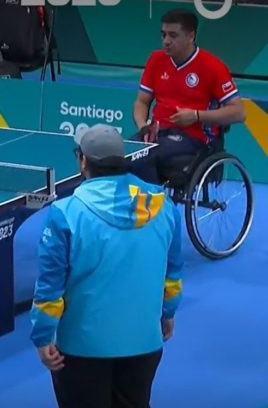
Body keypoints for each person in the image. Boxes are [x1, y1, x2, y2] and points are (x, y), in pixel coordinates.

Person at [30, 124, 185, 408]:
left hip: (81, 348)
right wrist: (168, 313)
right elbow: (172, 275)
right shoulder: (164, 206)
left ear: (83, 160)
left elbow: (50, 290)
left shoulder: (65, 213)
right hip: (145, 342)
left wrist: (42, 335)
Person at [131, 8, 245, 185]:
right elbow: (142, 101)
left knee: (145, 156)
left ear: (190, 36)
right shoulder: (156, 59)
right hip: (157, 133)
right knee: (115, 153)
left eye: (173, 35)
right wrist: (142, 125)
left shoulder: (213, 66)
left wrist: (196, 116)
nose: (166, 41)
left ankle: (155, 208)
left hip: (193, 138)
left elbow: (238, 112)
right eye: (163, 35)